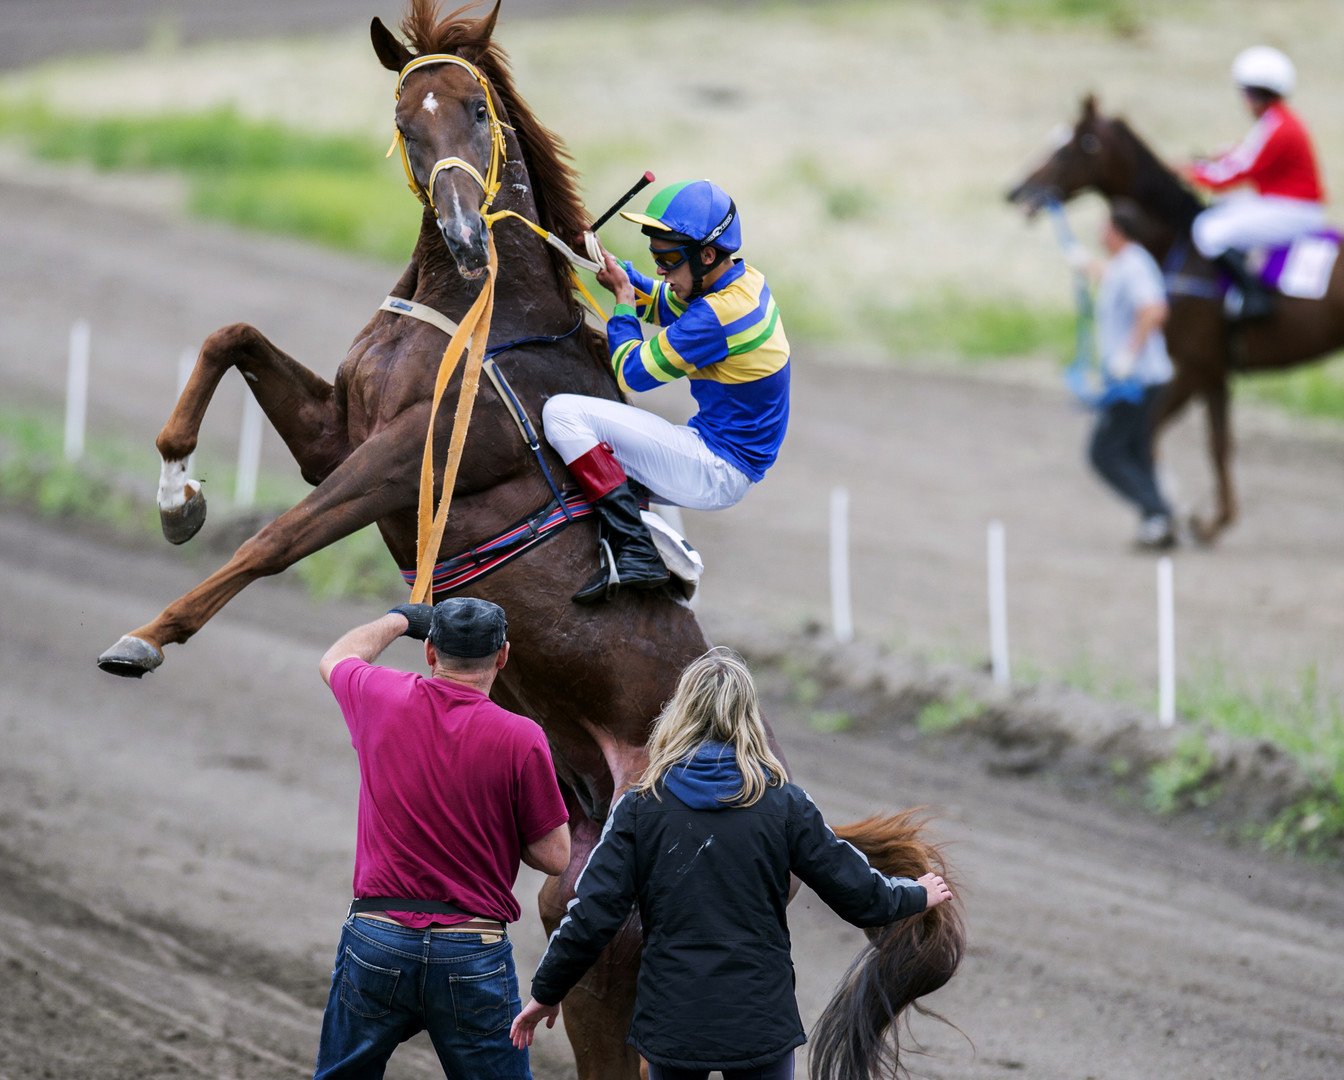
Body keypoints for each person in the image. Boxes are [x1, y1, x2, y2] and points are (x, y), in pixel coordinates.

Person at [508, 648, 952, 1079]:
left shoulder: (641, 808)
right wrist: (916, 894)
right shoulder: (785, 805)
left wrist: (548, 992)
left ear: (679, 713)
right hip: (759, 1022)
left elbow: (591, 915)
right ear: (749, 717)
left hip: (673, 1023)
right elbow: (858, 894)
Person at [314, 597, 572, 1080]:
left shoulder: (380, 696)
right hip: (471, 949)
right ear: (503, 656)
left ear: (430, 652)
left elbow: (336, 658)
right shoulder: (521, 737)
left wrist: (400, 619)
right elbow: (556, 856)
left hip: (377, 939)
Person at [541, 179, 792, 603]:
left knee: (563, 415)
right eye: (656, 257)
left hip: (716, 467)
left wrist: (622, 299)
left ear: (706, 254)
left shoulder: (719, 315)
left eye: (669, 259)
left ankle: (637, 549)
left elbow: (632, 373)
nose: (660, 269)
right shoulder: (738, 282)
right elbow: (663, 302)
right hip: (716, 455)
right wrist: (609, 265)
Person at [1185, 45, 1326, 320]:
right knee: (1222, 210)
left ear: (1252, 94)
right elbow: (1242, 158)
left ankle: (1253, 296)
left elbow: (1233, 175)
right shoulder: (1278, 121)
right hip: (1286, 201)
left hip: (1293, 209)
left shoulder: (1277, 128)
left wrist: (1190, 173)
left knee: (1207, 231)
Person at [1086, 206, 1176, 549]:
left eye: (1103, 227)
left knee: (1104, 452)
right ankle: (1158, 520)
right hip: (1140, 378)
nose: (1099, 234)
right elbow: (1114, 278)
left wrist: (1128, 354)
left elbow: (1154, 309)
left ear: (1117, 232)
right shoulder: (1126, 264)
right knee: (1137, 451)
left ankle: (1157, 512)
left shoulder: (1136, 264)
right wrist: (1087, 267)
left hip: (1138, 380)